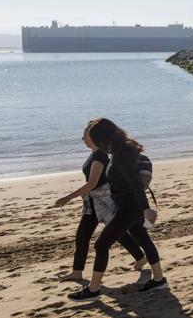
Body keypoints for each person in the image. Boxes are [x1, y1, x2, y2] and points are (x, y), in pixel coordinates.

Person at [67, 118, 165, 302]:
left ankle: (93, 290)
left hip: (130, 208)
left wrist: (145, 209)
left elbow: (136, 185)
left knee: (101, 244)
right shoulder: (119, 150)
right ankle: (159, 279)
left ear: (102, 138)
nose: (91, 142)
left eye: (94, 138)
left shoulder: (121, 154)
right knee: (143, 239)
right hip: (127, 206)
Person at [55, 121, 148, 282]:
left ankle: (141, 257)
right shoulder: (95, 154)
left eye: (85, 136)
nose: (83, 139)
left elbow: (92, 183)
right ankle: (77, 271)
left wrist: (67, 198)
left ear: (93, 136)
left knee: (111, 234)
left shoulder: (100, 155)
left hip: (102, 202)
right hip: (93, 203)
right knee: (88, 235)